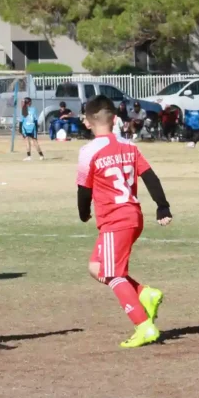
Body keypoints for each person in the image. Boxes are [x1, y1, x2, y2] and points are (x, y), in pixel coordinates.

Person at [77, 95, 173, 349]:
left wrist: (83, 212)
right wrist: (162, 206)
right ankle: (145, 294)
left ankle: (143, 326)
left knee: (112, 274)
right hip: (133, 215)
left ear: (88, 121)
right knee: (96, 267)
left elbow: (83, 190)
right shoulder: (129, 145)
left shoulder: (88, 152)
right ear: (115, 119)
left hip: (115, 219)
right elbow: (150, 176)